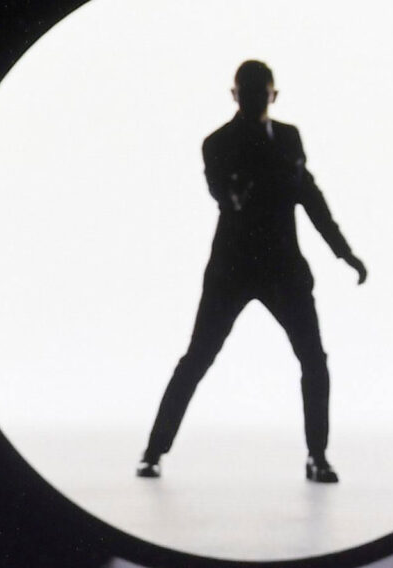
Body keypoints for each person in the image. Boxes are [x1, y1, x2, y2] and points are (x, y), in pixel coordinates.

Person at [137, 60, 367, 483]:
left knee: (313, 359)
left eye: (260, 93)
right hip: (233, 270)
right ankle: (153, 451)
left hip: (283, 269)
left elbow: (310, 196)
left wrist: (343, 252)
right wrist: (242, 190)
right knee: (198, 358)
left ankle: (317, 456)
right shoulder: (218, 143)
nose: (254, 100)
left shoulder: (289, 138)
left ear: (273, 95)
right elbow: (223, 192)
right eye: (248, 93)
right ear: (235, 95)